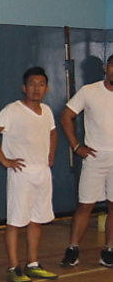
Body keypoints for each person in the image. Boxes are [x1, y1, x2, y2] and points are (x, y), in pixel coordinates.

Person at [0, 67, 59, 282]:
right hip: (21, 174)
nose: (37, 88)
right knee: (16, 221)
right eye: (32, 84)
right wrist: (5, 160)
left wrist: (51, 153)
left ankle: (33, 264)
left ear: (46, 88)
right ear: (24, 87)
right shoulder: (12, 110)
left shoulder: (47, 111)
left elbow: (53, 132)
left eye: (41, 84)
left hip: (42, 173)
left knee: (37, 219)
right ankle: (13, 268)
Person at [59, 55, 113, 268]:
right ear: (106, 68)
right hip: (95, 157)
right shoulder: (89, 91)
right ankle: (73, 248)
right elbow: (66, 116)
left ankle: (109, 250)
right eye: (112, 66)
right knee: (85, 205)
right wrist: (76, 146)